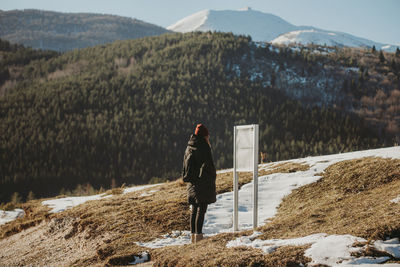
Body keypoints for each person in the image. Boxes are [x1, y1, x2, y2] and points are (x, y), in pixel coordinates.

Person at [182, 123, 217, 243]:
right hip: (202, 183)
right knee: (201, 210)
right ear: (205, 136)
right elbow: (209, 166)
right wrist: (212, 178)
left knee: (194, 209)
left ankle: (193, 237)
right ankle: (199, 237)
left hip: (191, 182)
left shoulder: (189, 146)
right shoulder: (203, 147)